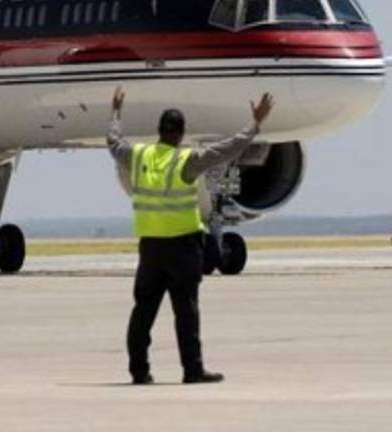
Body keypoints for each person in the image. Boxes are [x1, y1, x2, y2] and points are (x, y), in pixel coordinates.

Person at [107, 86, 274, 385]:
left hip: (150, 249)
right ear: (181, 134)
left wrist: (116, 113)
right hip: (182, 247)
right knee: (186, 312)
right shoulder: (186, 161)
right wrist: (255, 124)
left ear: (159, 131)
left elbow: (113, 142)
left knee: (142, 312)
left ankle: (139, 371)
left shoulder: (138, 156)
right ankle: (192, 370)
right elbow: (228, 148)